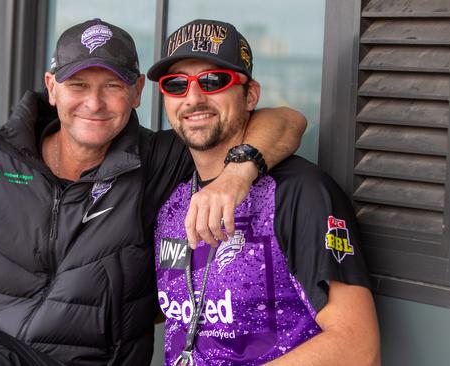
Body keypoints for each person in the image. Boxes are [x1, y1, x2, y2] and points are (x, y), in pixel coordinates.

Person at [0, 18, 306, 366]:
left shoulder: (159, 161)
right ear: (52, 88)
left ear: (137, 91)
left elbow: (285, 120)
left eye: (112, 86)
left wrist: (238, 172)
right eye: (78, 85)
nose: (94, 103)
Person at [149, 19, 380, 366]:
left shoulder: (299, 192)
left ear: (251, 95)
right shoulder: (170, 192)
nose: (193, 97)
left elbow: (358, 348)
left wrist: (239, 171)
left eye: (214, 81)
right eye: (176, 84)